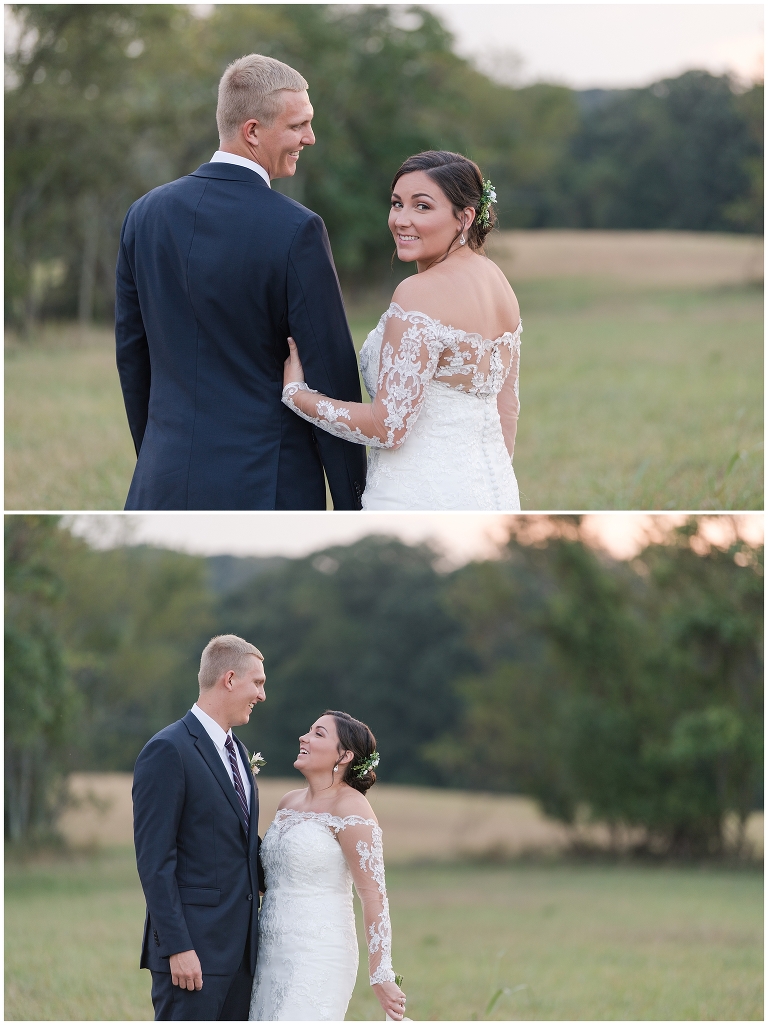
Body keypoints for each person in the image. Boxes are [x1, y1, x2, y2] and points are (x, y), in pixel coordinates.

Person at [116, 54, 366, 511]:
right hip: (267, 484)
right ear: (252, 131)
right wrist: (354, 500)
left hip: (161, 481)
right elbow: (330, 373)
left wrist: (158, 457)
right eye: (298, 126)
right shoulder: (296, 229)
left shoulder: (144, 214)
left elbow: (133, 358)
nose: (310, 138)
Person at [282, 149, 522, 511]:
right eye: (397, 204)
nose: (402, 220)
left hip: (416, 495)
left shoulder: (418, 293)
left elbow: (388, 427)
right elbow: (506, 408)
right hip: (494, 492)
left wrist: (298, 395)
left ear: (465, 217)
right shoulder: (499, 282)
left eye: (422, 207)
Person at [133, 635, 267, 1020]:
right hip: (192, 953)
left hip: (241, 955)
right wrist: (177, 947)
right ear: (229, 679)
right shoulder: (168, 749)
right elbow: (155, 860)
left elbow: (238, 842)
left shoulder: (238, 751)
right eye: (256, 683)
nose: (261, 694)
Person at [249, 711, 406, 1022]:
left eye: (318, 734)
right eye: (308, 731)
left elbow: (374, 895)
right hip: (268, 950)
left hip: (318, 952)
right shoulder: (288, 803)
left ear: (344, 755)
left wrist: (381, 972)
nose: (303, 738)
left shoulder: (352, 808)